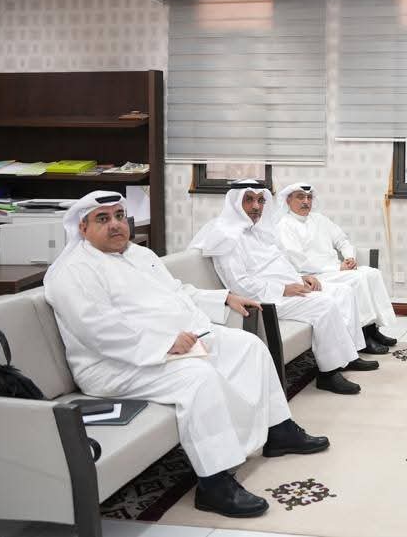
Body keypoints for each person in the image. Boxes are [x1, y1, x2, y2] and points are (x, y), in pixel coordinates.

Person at [44, 191, 328, 518]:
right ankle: (214, 483)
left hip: (177, 342)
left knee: (248, 346)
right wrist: (165, 343)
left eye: (119, 216)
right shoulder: (72, 271)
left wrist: (224, 297)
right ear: (82, 228)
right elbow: (97, 330)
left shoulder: (139, 254)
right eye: (103, 219)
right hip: (115, 364)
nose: (115, 225)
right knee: (197, 378)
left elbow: (178, 292)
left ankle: (278, 431)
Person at [189, 179, 377, 396]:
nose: (256, 206)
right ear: (235, 203)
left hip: (285, 287)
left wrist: (300, 278)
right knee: (324, 305)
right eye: (249, 200)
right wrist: (283, 288)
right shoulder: (226, 236)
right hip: (265, 298)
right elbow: (240, 284)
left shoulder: (257, 230)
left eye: (260, 200)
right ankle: (328, 374)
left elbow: (277, 264)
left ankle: (349, 356)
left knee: (342, 291)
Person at [275, 182, 398, 354]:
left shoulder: (319, 219)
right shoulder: (285, 225)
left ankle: (373, 329)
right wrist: (337, 267)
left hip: (334, 269)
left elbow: (342, 239)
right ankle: (363, 336)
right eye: (300, 197)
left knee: (372, 273)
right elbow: (300, 261)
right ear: (288, 200)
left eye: (309, 197)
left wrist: (349, 257)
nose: (306, 201)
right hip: (313, 275)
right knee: (357, 279)